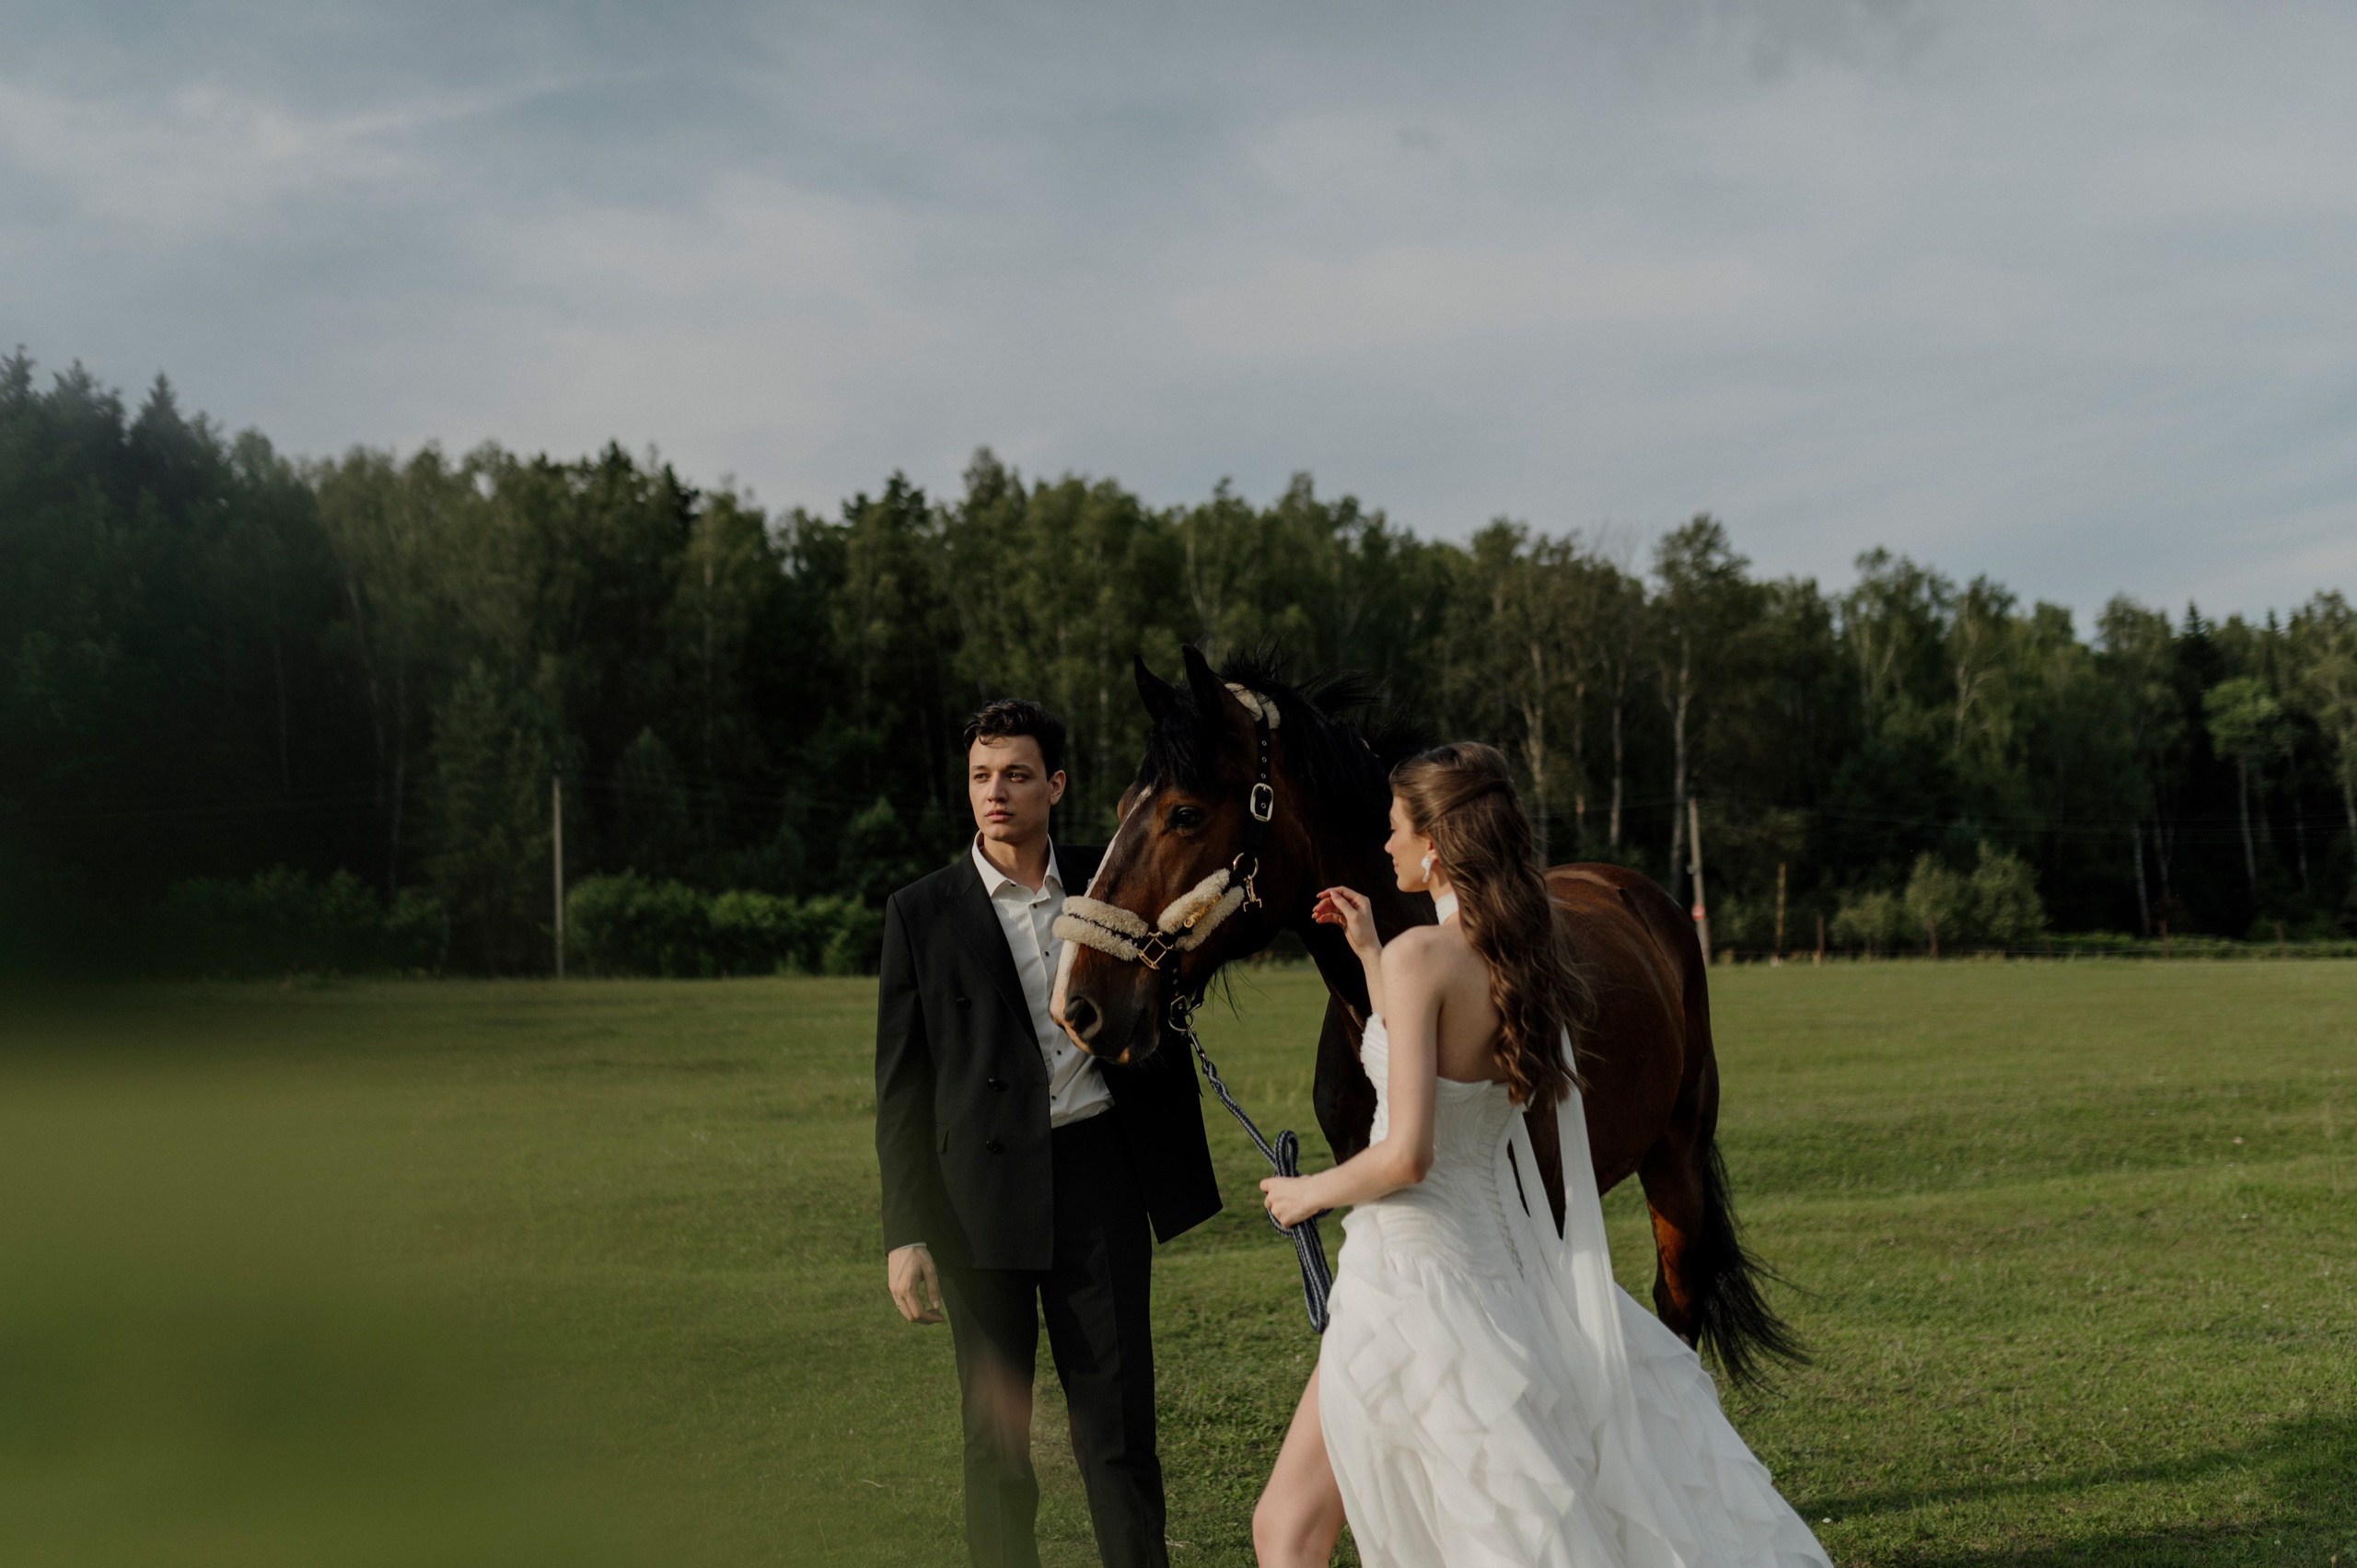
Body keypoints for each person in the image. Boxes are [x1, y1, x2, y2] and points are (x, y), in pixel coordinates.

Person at [1250, 742, 1830, 1568]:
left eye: (1395, 830)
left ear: (1437, 847)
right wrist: (1374, 950)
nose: (1385, 847)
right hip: (1507, 1271)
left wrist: (1308, 1192)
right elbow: (1442, 1061)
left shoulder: (1429, 957)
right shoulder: (1516, 953)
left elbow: (1409, 1153)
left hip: (1410, 1276)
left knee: (1293, 1529)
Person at [875, 698, 1223, 1568]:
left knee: (1116, 1434)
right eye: (982, 776)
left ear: (1055, 785)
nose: (996, 792)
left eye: (1017, 775)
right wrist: (905, 1230)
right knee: (998, 1450)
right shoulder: (920, 912)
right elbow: (902, 1087)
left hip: (1097, 1181)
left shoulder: (1114, 883)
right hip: (976, 1205)